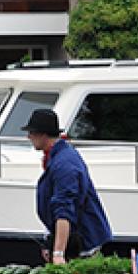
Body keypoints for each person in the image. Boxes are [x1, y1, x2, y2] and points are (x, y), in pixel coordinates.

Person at [24, 109, 112, 265]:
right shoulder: (58, 156)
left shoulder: (65, 164)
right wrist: (49, 241)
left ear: (43, 134)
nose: (28, 136)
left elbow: (64, 210)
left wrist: (58, 253)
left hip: (82, 244)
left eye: (31, 132)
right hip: (71, 240)